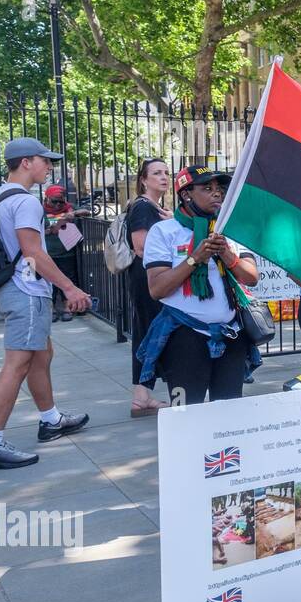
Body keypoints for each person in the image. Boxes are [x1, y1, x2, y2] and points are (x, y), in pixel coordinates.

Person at [0, 138, 92, 468]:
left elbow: (20, 242)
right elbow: (32, 253)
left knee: (42, 355)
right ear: (26, 162)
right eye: (45, 160)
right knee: (18, 363)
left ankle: (51, 419)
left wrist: (51, 227)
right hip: (27, 291)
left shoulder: (1, 195)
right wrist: (70, 289)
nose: (50, 166)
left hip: (10, 288)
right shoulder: (26, 201)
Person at [136, 166, 260, 404]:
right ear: (186, 194)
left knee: (228, 411)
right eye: (207, 188)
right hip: (185, 336)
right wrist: (195, 258)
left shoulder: (232, 232)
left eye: (219, 188)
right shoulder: (164, 231)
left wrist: (226, 253)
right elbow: (157, 289)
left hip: (230, 335)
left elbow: (251, 278)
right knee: (184, 412)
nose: (217, 194)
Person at [126, 158, 172, 416]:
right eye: (156, 173)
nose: (163, 177)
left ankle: (142, 396)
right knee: (152, 333)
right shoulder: (143, 207)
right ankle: (145, 395)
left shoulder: (155, 207)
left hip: (151, 277)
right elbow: (141, 247)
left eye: (166, 172)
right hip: (148, 278)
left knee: (148, 333)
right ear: (143, 180)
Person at [42, 185, 91, 321]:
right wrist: (47, 230)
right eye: (54, 201)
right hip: (47, 252)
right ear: (47, 198)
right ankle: (51, 308)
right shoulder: (40, 210)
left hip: (66, 252)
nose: (58, 205)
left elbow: (87, 211)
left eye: (60, 201)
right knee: (49, 281)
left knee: (68, 278)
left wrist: (73, 214)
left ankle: (66, 307)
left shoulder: (69, 208)